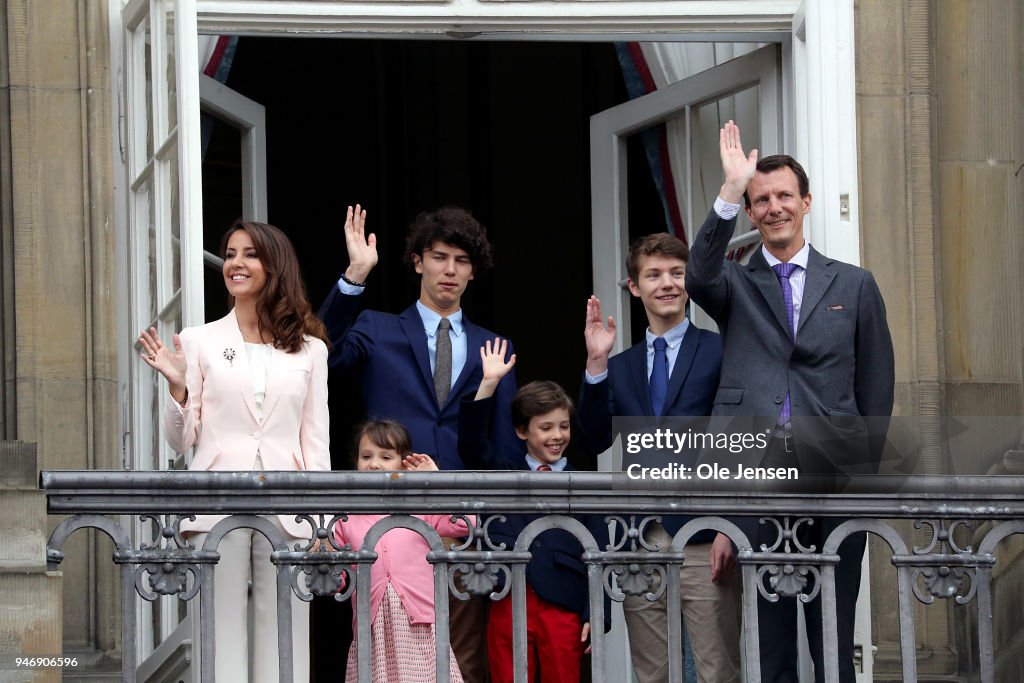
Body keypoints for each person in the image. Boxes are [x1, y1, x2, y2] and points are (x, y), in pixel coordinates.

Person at [685, 120, 895, 683]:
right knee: (771, 649)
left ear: (805, 202)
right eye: (761, 201)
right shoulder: (735, 283)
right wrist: (729, 191)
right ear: (751, 215)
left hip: (832, 486)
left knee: (832, 644)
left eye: (783, 196)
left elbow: (877, 389)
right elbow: (697, 275)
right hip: (757, 485)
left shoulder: (853, 285)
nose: (774, 207)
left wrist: (863, 484)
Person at [319, 204, 519, 681]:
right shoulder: (377, 327)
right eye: (439, 256)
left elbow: (499, 454)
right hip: (385, 530)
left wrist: (498, 532)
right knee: (382, 659)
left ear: (473, 272)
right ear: (416, 261)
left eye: (461, 261)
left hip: (459, 526)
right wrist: (354, 276)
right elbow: (318, 361)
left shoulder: (497, 348)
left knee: (464, 662)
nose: (449, 270)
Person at [139, 220, 330, 682]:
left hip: (289, 510)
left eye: (249, 254)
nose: (235, 264)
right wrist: (179, 388)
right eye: (230, 254)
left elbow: (316, 440)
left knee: (286, 634)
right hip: (215, 504)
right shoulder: (200, 340)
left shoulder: (311, 350)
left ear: (274, 265)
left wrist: (323, 518)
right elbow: (180, 440)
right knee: (218, 635)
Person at [576, 234, 741, 683]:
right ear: (634, 287)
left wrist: (732, 524)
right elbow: (591, 440)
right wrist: (595, 364)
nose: (666, 283)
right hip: (639, 539)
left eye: (676, 272)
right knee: (652, 674)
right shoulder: (623, 364)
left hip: (706, 539)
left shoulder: (721, 349)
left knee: (716, 670)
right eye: (653, 274)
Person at [457, 342, 611, 683]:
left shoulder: (584, 482)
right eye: (546, 428)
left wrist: (597, 610)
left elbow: (599, 551)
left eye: (564, 426)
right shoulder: (502, 471)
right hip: (508, 596)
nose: (557, 436)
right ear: (521, 431)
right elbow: (470, 446)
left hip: (564, 600)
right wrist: (488, 385)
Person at [334, 420, 468, 683]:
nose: (374, 464)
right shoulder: (346, 517)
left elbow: (465, 523)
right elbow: (336, 576)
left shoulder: (422, 507)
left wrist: (436, 480)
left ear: (403, 463)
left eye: (386, 457)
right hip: (373, 627)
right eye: (366, 456)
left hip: (419, 625)